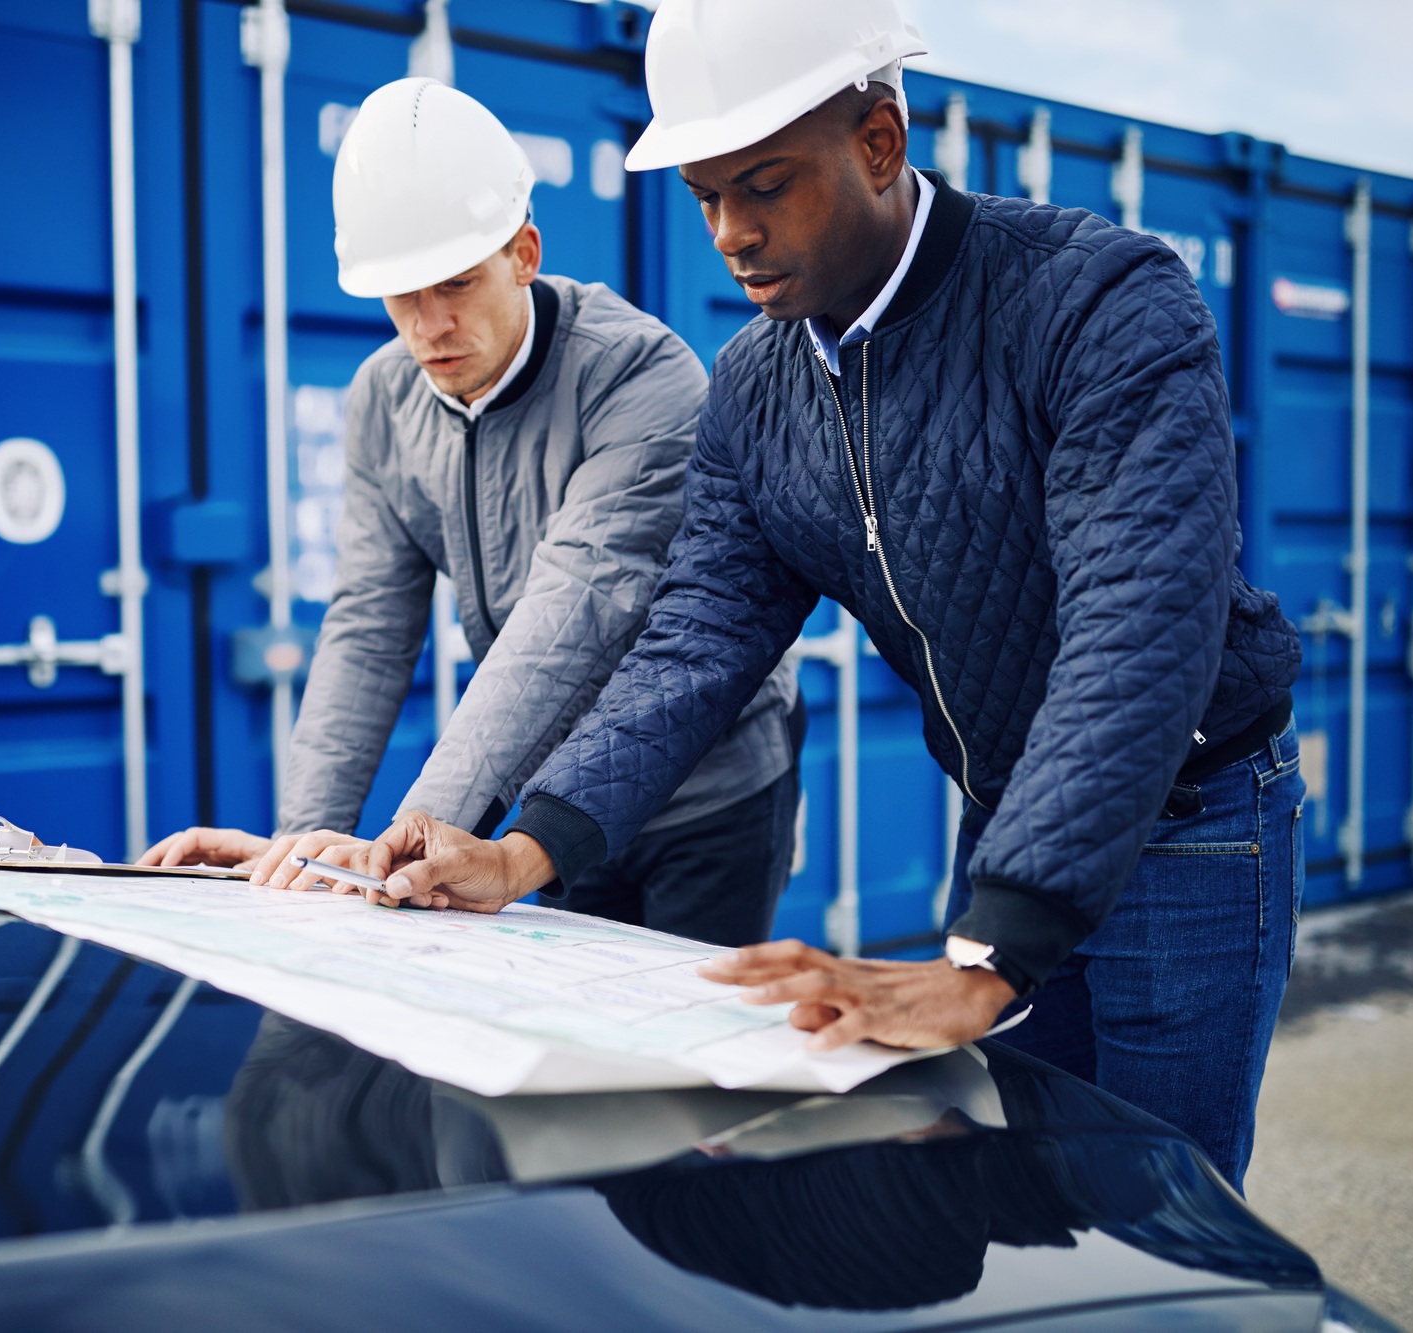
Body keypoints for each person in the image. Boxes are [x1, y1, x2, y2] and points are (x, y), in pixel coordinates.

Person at [342, 1, 1304, 1191]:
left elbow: (1136, 626)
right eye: (705, 197)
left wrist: (992, 950)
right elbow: (695, 639)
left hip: (1189, 813)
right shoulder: (755, 387)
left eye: (766, 185)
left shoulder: (1097, 302)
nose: (731, 235)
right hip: (1008, 814)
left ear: (880, 142)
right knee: (1022, 1194)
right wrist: (525, 845)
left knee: (1160, 1200)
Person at [141, 77, 801, 948]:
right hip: (550, 801)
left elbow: (573, 610)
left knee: (692, 1070)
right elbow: (369, 629)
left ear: (524, 253)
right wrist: (298, 847)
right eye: (401, 295)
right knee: (569, 1065)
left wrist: (401, 849)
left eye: (454, 283)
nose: (429, 326)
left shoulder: (640, 377)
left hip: (708, 794)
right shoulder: (383, 398)